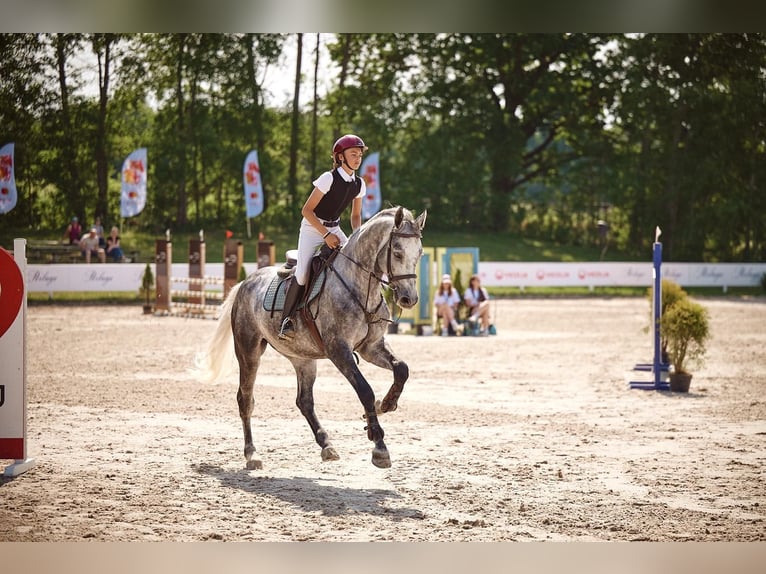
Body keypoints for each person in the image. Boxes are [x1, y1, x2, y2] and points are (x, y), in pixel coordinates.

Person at [278, 134, 368, 340]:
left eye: (360, 155)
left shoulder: (359, 184)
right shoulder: (328, 178)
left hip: (335, 228)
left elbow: (355, 216)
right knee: (301, 275)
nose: (357, 158)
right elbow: (306, 210)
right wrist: (325, 235)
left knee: (357, 263)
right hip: (312, 227)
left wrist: (357, 237)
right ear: (340, 157)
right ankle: (287, 320)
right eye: (353, 154)